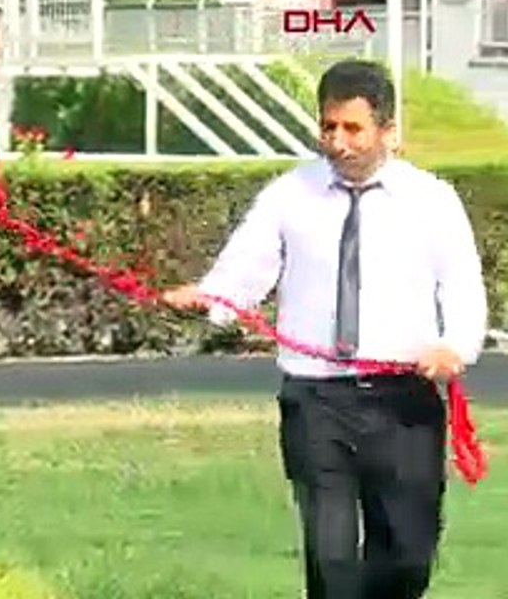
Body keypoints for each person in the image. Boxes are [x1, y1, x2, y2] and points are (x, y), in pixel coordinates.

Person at [160, 59, 487, 598]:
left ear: (388, 130)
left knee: (406, 554)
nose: (339, 142)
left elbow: (462, 286)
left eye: (354, 128)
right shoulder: (290, 194)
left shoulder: (431, 201)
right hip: (316, 402)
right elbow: (246, 267)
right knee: (331, 559)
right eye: (328, 127)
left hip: (403, 402)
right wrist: (206, 298)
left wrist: (455, 347)